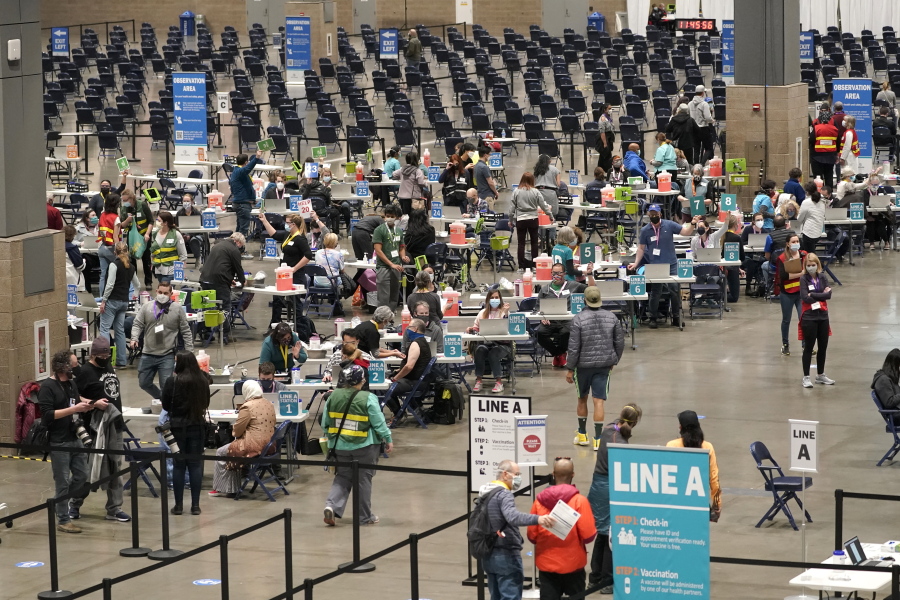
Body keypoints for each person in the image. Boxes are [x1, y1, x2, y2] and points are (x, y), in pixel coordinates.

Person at [322, 364, 393, 526]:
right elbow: (379, 423)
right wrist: (387, 438)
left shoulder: (332, 396)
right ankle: (364, 517)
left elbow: (325, 423)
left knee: (342, 477)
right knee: (363, 480)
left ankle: (331, 506)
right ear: (361, 381)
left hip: (338, 446)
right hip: (364, 447)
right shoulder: (368, 398)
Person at [70, 336, 129, 523]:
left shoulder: (108, 366)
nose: (105, 357)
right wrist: (94, 403)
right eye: (102, 355)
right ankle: (74, 503)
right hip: (94, 428)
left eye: (108, 354)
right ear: (94, 354)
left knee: (115, 467)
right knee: (88, 470)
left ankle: (114, 508)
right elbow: (74, 396)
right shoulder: (86, 372)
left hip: (114, 425)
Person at [479, 460, 555, 600]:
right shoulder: (504, 494)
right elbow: (513, 517)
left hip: (488, 555)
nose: (519, 477)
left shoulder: (485, 492)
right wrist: (538, 519)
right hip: (506, 555)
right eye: (517, 474)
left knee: (495, 595)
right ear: (505, 474)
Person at [587, 404, 643, 594]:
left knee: (601, 533)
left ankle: (594, 578)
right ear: (635, 423)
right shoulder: (621, 444)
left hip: (597, 485)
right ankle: (607, 580)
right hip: (610, 487)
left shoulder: (608, 429)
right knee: (612, 534)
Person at [527, 457, 596, 600]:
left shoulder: (539, 501)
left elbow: (532, 536)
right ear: (573, 475)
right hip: (573, 565)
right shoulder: (580, 501)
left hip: (547, 565)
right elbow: (589, 536)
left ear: (553, 474)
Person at [40, 349, 93, 533]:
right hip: (59, 441)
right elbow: (47, 415)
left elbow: (75, 400)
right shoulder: (48, 387)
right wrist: (74, 409)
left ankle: (59, 502)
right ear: (62, 366)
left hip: (74, 436)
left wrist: (90, 404)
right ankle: (63, 519)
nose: (75, 367)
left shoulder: (71, 383)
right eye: (73, 364)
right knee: (61, 481)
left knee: (82, 475)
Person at [566, 286, 624, 449]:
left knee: (582, 398)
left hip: (582, 367)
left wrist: (570, 368)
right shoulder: (612, 317)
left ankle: (582, 435)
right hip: (604, 365)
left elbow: (574, 347)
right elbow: (619, 342)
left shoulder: (578, 319)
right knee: (599, 401)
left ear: (585, 300)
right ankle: (598, 439)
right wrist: (614, 360)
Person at [629, 204, 696, 328]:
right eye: (651, 214)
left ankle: (676, 317)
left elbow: (686, 232)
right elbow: (641, 249)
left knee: (675, 290)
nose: (653, 216)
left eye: (656, 214)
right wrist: (636, 263)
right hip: (655, 265)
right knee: (656, 291)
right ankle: (652, 317)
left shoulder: (669, 225)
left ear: (660, 214)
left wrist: (692, 223)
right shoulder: (645, 230)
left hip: (671, 264)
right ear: (648, 215)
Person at [160, 350, 211, 515]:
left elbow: (166, 406)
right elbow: (206, 402)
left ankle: (179, 505)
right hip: (197, 426)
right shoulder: (203, 381)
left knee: (179, 466)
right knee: (195, 466)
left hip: (176, 429)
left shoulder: (172, 382)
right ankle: (195, 505)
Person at [209, 380, 276, 498]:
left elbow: (237, 431)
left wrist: (235, 431)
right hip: (269, 446)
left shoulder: (247, 407)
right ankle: (231, 487)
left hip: (253, 446)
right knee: (231, 449)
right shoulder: (268, 404)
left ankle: (222, 488)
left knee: (221, 452)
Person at [129, 279, 194, 398]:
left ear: (170, 294)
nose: (162, 295)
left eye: (165, 293)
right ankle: (162, 399)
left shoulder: (177, 309)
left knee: (167, 386)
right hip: (148, 353)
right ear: (156, 291)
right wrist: (134, 338)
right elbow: (137, 324)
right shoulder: (146, 307)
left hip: (167, 355)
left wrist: (189, 352)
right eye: (160, 292)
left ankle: (166, 408)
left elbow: (186, 331)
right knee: (144, 383)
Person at [666, 410, 722, 521]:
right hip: (699, 502)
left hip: (675, 501)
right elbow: (714, 478)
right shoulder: (707, 447)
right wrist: (717, 505)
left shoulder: (671, 445)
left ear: (681, 427)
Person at [538, 262, 595, 367]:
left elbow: (592, 289)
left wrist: (589, 274)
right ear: (551, 273)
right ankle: (559, 354)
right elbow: (538, 307)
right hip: (550, 321)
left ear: (564, 274)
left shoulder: (573, 285)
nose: (557, 275)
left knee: (567, 332)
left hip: (567, 321)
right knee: (539, 333)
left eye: (559, 273)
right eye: (554, 273)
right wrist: (542, 318)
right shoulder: (545, 289)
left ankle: (559, 355)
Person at [259, 213, 313, 324]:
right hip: (283, 275)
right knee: (277, 298)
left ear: (293, 224)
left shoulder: (300, 239)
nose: (285, 224)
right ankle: (275, 324)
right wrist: (264, 221)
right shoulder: (287, 235)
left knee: (295, 301)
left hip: (296, 276)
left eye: (287, 223)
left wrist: (294, 268)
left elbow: (308, 255)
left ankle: (299, 325)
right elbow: (274, 234)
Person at [99, 242, 140, 369]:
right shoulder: (131, 266)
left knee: (104, 329)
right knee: (119, 331)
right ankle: (121, 361)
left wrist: (104, 300)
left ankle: (104, 361)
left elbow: (110, 285)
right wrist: (136, 294)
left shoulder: (113, 265)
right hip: (124, 302)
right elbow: (137, 284)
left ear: (115, 252)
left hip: (112, 301)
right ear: (127, 251)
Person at [198, 233, 247, 339]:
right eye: (241, 245)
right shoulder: (234, 250)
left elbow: (219, 264)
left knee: (206, 306)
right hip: (219, 281)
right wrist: (243, 281)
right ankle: (224, 334)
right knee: (224, 307)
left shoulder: (217, 245)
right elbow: (238, 268)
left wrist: (229, 279)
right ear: (238, 242)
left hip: (205, 278)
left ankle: (205, 333)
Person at [383, 318, 434, 415]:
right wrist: (397, 372)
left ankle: (398, 413)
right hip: (418, 380)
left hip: (414, 382)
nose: (407, 330)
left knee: (385, 389)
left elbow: (409, 367)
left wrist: (395, 378)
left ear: (415, 329)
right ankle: (399, 412)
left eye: (409, 327)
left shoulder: (415, 344)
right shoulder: (423, 342)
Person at [799, 253, 834, 388]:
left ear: (817, 265)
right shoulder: (803, 279)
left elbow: (828, 295)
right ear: (805, 266)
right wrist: (821, 295)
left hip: (823, 316)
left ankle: (820, 375)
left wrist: (813, 294)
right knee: (809, 347)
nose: (811, 267)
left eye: (813, 265)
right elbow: (804, 297)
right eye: (808, 266)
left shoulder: (823, 277)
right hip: (809, 317)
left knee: (823, 347)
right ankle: (806, 377)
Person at [467, 289, 511, 393]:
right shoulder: (482, 313)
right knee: (480, 350)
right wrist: (471, 329)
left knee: (493, 353)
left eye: (496, 298)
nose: (494, 300)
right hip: (487, 344)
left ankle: (499, 382)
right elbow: (476, 328)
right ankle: (479, 380)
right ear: (488, 300)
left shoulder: (505, 313)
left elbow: (509, 328)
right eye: (492, 298)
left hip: (503, 345)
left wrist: (504, 314)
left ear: (500, 299)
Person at [510, 172, 553, 269]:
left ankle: (521, 266)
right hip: (533, 219)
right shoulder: (536, 192)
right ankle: (534, 265)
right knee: (534, 243)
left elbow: (511, 208)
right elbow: (543, 205)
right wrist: (550, 215)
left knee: (521, 243)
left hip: (520, 219)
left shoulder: (516, 191)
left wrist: (510, 219)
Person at [775, 233, 806, 356]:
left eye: (797, 241)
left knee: (803, 318)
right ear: (788, 244)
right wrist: (801, 274)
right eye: (793, 242)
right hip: (787, 293)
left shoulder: (804, 255)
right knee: (786, 320)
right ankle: (785, 344)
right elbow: (784, 276)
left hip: (801, 293)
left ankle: (805, 345)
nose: (795, 244)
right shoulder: (782, 258)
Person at [119, 188, 155, 288]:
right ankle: (133, 282)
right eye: (123, 200)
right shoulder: (124, 209)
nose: (125, 202)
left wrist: (147, 234)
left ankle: (148, 282)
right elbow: (121, 225)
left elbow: (151, 221)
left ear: (132, 198)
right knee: (131, 260)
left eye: (126, 200)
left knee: (146, 259)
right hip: (132, 238)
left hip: (144, 236)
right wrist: (128, 220)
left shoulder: (142, 205)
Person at [373, 203, 405, 310]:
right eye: (388, 216)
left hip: (396, 267)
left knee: (394, 296)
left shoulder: (399, 231)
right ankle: (382, 319)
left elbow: (401, 247)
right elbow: (378, 250)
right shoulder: (379, 230)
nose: (390, 218)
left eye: (392, 216)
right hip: (383, 267)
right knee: (383, 298)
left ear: (396, 217)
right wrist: (391, 264)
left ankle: (391, 318)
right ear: (385, 216)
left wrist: (403, 256)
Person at [229, 150, 264, 242]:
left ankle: (235, 249)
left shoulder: (236, 172)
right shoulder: (240, 171)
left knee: (239, 229)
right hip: (242, 205)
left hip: (241, 203)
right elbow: (248, 168)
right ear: (246, 162)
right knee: (243, 230)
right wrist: (256, 157)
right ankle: (240, 251)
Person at [149, 211, 187, 284]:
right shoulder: (155, 233)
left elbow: (183, 254)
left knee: (166, 289)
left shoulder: (176, 234)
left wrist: (181, 270)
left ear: (165, 223)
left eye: (159, 221)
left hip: (171, 269)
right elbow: (153, 250)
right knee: (163, 290)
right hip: (158, 269)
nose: (157, 222)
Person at [97, 194, 122, 298]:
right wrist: (119, 251)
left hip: (102, 247)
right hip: (112, 249)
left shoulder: (102, 215)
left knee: (103, 275)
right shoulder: (116, 218)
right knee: (119, 273)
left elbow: (103, 232)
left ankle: (102, 296)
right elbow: (115, 237)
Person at [391, 151, 427, 216]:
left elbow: (394, 174)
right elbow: (421, 182)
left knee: (405, 217)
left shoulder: (402, 169)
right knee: (414, 218)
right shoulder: (417, 170)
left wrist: (401, 177)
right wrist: (426, 184)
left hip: (402, 197)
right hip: (413, 198)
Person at [720, 214, 745, 303]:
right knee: (734, 298)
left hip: (721, 267)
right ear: (735, 225)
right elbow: (742, 257)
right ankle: (716, 296)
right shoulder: (736, 238)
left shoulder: (721, 236)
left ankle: (713, 294)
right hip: (732, 267)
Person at [810, 111, 839, 189]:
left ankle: (819, 193)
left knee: (818, 177)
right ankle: (829, 194)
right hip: (830, 156)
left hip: (817, 157)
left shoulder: (817, 128)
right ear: (830, 119)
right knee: (829, 176)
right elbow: (838, 142)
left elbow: (811, 141)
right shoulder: (834, 129)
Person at [689, 85, 715, 163]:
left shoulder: (690, 104)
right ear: (703, 93)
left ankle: (696, 166)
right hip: (703, 128)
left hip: (694, 128)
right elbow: (707, 117)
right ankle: (702, 164)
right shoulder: (704, 104)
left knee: (696, 149)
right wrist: (712, 120)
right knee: (709, 148)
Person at [175, 194, 204, 261]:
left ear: (192, 202)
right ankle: (180, 260)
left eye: (187, 201)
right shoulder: (179, 213)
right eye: (184, 201)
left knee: (194, 240)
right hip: (182, 234)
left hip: (196, 234)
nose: (186, 203)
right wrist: (182, 235)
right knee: (177, 240)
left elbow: (201, 227)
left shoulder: (197, 212)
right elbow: (176, 227)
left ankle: (198, 258)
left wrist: (189, 236)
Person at [872, 349, 900, 419]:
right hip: (896, 414)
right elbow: (889, 402)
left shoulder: (889, 377)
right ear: (895, 366)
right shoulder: (883, 380)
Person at [594, 103, 615, 172]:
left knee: (604, 156)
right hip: (604, 139)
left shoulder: (608, 118)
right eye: (609, 109)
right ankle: (606, 170)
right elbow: (602, 132)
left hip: (609, 138)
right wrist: (605, 143)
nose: (610, 110)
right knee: (605, 156)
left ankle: (600, 171)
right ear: (604, 110)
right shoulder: (602, 119)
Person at [64, 225, 86, 292]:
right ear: (73, 235)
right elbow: (80, 266)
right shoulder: (72, 248)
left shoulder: (56, 246)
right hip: (73, 278)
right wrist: (84, 261)